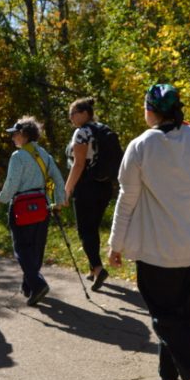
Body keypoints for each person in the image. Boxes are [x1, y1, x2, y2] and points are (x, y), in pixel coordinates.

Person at [108, 84, 190, 380]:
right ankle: (168, 374)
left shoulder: (140, 147)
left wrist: (115, 244)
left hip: (158, 250)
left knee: (164, 317)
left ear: (151, 111)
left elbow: (127, 200)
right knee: (187, 312)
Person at [0, 116, 66, 306]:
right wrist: (58, 202)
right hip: (42, 207)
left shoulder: (18, 157)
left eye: (15, 134)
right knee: (36, 248)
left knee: (22, 248)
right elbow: (58, 179)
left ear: (23, 135)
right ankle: (29, 285)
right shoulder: (44, 154)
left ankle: (37, 284)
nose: (13, 138)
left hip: (21, 209)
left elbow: (11, 185)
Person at [64, 97, 115, 290]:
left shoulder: (81, 133)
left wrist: (67, 189)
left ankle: (98, 268)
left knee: (85, 230)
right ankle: (92, 268)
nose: (71, 118)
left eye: (73, 114)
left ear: (84, 113)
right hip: (104, 186)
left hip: (86, 187)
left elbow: (78, 164)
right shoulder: (103, 129)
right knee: (92, 228)